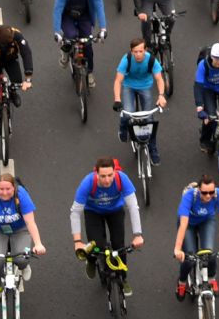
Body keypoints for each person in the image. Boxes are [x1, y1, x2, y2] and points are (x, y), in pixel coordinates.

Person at [72, 157, 145, 292]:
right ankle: (92, 260)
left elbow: (133, 207)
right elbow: (75, 212)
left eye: (110, 175)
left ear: (115, 172)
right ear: (97, 174)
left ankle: (123, 278)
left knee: (119, 246)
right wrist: (77, 241)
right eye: (103, 176)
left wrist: (138, 234)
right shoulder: (88, 183)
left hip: (115, 211)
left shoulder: (122, 179)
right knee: (95, 246)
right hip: (93, 212)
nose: (107, 180)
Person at [0, 173, 47, 303]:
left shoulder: (22, 195)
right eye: (1, 189)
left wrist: (38, 243)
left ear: (14, 187)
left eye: (8, 189)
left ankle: (24, 266)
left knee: (22, 258)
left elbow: (31, 223)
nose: (4, 192)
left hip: (19, 230)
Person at [169, 175, 219, 295]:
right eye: (204, 193)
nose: (208, 196)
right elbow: (183, 224)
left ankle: (212, 278)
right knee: (189, 259)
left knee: (209, 254)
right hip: (188, 224)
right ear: (198, 190)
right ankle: (182, 282)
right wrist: (177, 248)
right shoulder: (189, 196)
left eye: (211, 192)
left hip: (206, 221)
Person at [113, 35, 168, 150]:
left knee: (149, 119)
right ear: (131, 51)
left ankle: (153, 149)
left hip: (145, 86)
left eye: (140, 51)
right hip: (129, 86)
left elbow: (159, 79)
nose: (138, 54)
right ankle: (123, 129)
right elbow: (118, 80)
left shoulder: (152, 60)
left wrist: (161, 95)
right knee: (127, 114)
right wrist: (117, 99)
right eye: (135, 52)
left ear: (145, 50)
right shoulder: (126, 59)